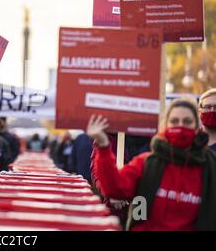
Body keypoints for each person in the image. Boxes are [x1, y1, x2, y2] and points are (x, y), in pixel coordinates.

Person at [87, 98, 216, 231]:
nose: (180, 126)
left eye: (187, 122)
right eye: (174, 121)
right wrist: (103, 145)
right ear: (166, 125)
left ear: (197, 128)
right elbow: (115, 187)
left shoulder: (209, 167)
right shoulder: (147, 163)